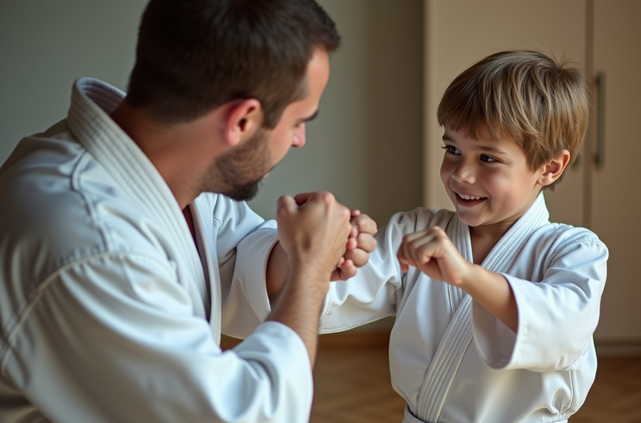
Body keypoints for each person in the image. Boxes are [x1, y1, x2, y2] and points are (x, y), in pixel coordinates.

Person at [0, 0, 378, 422]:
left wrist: (292, 256)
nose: (299, 140)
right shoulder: (91, 244)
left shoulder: (165, 163)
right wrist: (309, 272)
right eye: (297, 121)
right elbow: (249, 415)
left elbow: (224, 257)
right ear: (242, 121)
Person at [252, 50, 609, 422]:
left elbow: (563, 330)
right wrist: (327, 251)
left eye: (487, 158)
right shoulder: (419, 232)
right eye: (453, 149)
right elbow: (333, 295)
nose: (461, 174)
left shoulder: (575, 251)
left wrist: (467, 276)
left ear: (549, 168)